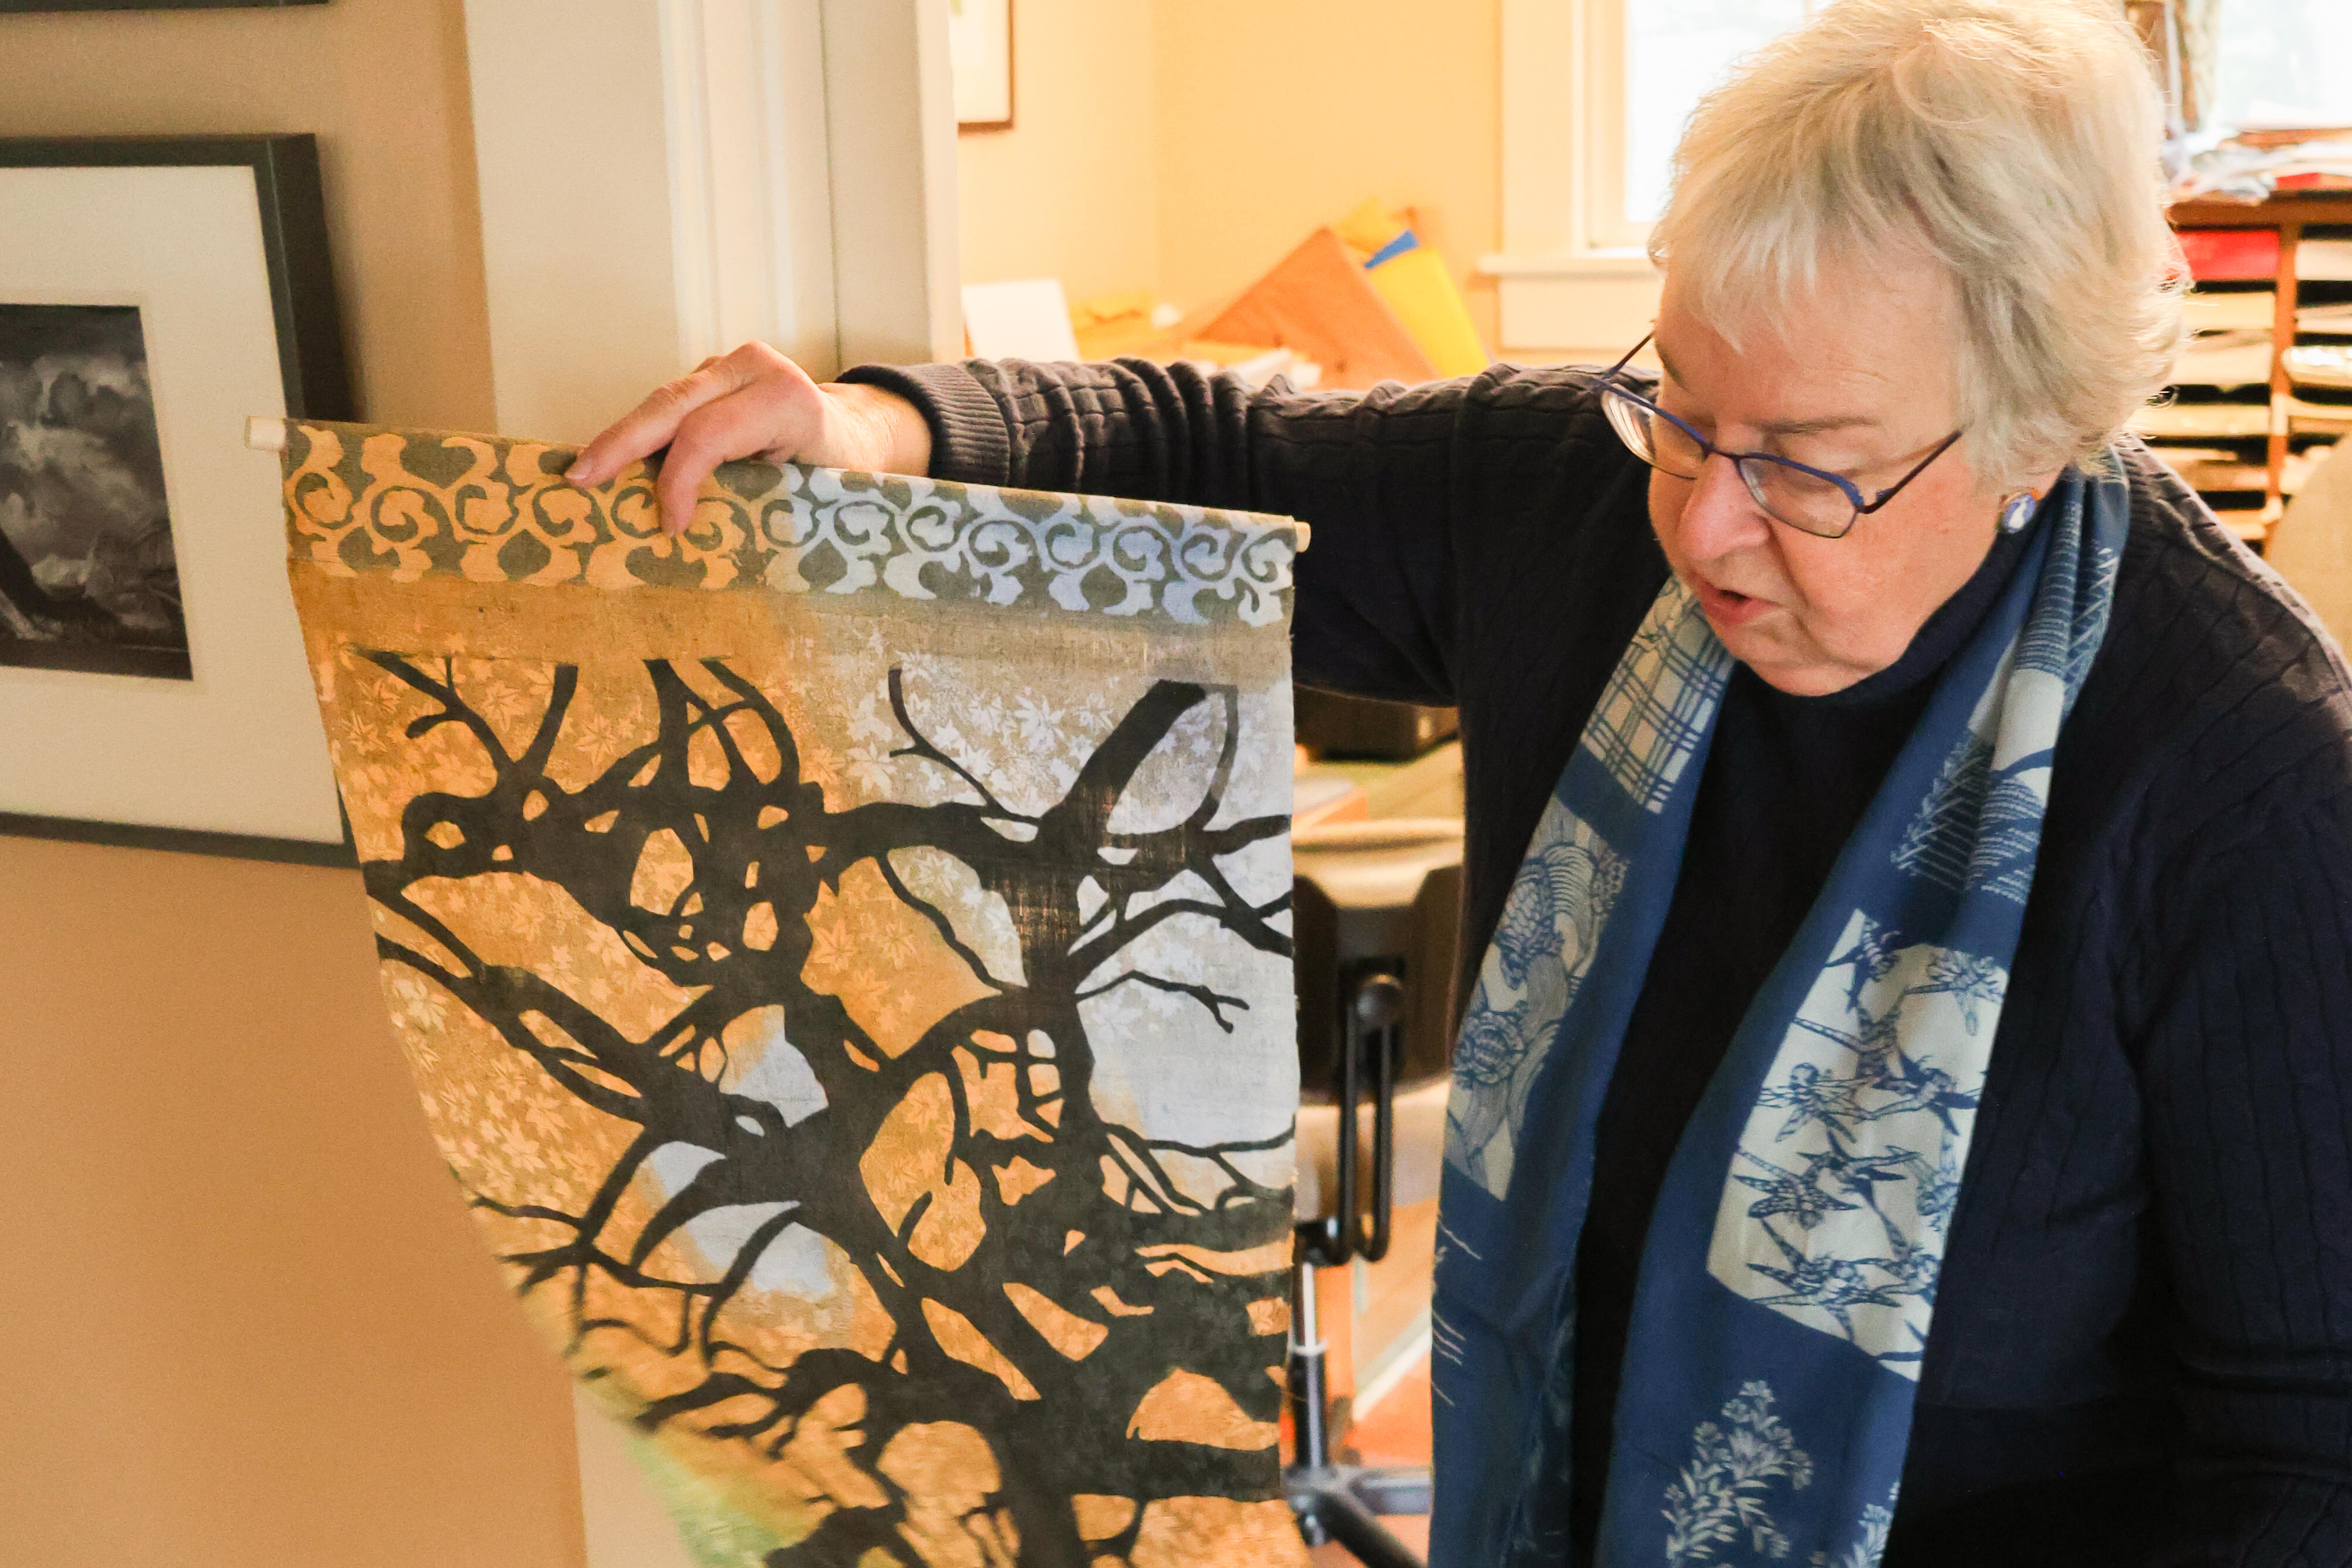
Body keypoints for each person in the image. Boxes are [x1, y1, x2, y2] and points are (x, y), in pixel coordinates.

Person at [564, 1, 2352, 1561]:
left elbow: (2309, 1465)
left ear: (2042, 426)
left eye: (1808, 467)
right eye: (1686, 416)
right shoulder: (1577, 504)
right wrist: (882, 434)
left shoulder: (2246, 792)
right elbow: (1220, 452)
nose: (1706, 523)